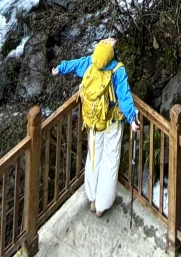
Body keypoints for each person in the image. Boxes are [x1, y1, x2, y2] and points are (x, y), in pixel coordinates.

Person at [51, 38, 139, 217]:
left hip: (93, 121)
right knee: (110, 160)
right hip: (112, 122)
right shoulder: (117, 69)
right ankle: (101, 205)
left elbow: (76, 65)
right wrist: (132, 118)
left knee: (93, 157)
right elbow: (124, 97)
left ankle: (92, 197)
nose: (111, 40)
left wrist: (59, 68)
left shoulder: (92, 61)